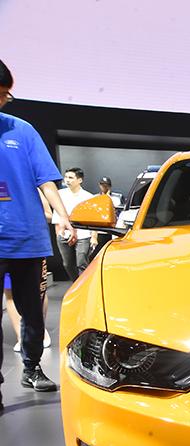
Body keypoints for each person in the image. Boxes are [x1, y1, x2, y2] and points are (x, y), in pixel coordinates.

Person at [0, 58, 66, 411]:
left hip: (27, 238)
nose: (2, 100)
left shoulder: (22, 131)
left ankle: (32, 367)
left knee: (34, 313)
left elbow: (45, 179)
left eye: (5, 95)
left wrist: (62, 215)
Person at [3, 190, 53, 352]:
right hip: (5, 250)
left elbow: (49, 214)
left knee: (38, 291)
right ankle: (21, 337)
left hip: (30, 249)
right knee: (9, 293)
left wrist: (27, 215)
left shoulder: (31, 188)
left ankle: (39, 332)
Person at [55, 167, 95, 279]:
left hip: (83, 234)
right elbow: (56, 216)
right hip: (64, 234)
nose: (67, 180)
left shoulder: (88, 197)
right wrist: (58, 234)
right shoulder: (59, 194)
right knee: (68, 264)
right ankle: (76, 284)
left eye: (71, 177)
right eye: (66, 177)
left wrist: (94, 236)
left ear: (80, 180)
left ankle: (84, 285)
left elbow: (93, 219)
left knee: (82, 263)